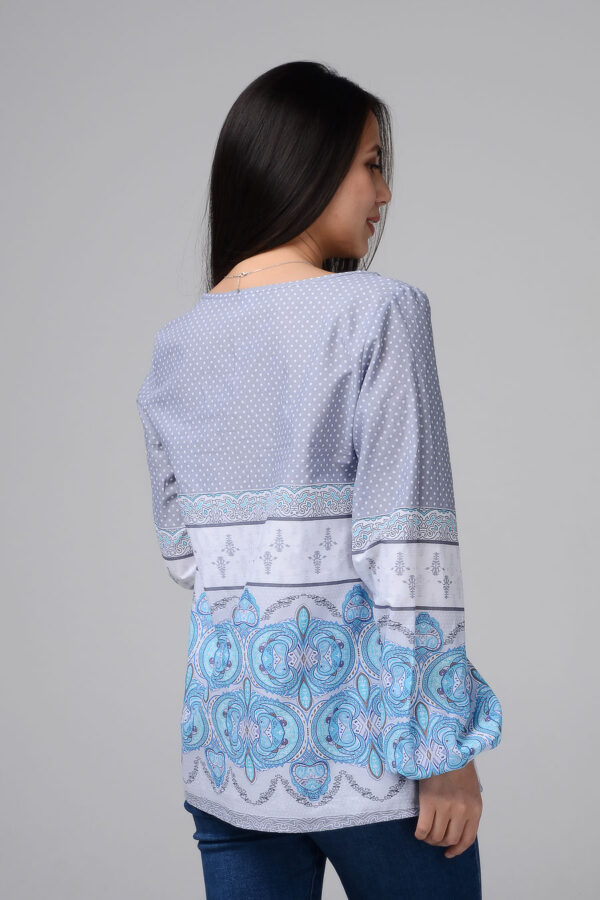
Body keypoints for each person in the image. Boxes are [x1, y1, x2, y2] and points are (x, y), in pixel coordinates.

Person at [136, 60, 502, 899]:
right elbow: (409, 552)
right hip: (374, 756)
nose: (383, 193)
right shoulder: (378, 310)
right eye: (371, 164)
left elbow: (186, 557)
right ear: (306, 162)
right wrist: (443, 752)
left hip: (231, 755)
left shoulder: (176, 345)